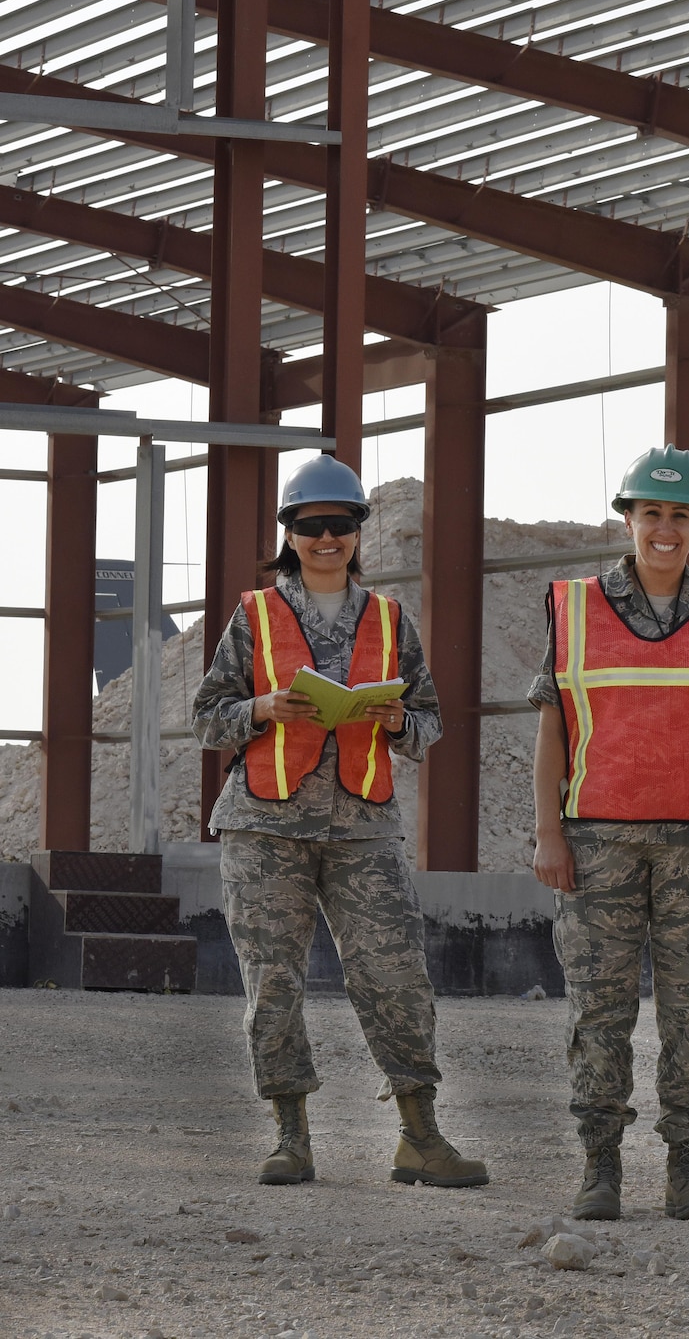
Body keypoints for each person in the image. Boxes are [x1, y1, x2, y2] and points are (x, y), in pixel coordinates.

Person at [193, 454, 487, 1189]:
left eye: (342, 525)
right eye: (313, 525)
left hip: (362, 826)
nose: (328, 538)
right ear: (290, 533)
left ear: (360, 532)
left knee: (395, 974)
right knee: (274, 983)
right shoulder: (254, 616)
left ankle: (420, 1137)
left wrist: (393, 720)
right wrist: (261, 708)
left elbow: (430, 725)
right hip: (265, 824)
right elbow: (206, 717)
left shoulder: (391, 621)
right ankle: (291, 1137)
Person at [529, 445, 689, 1224]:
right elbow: (554, 727)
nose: (664, 529)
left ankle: (685, 1169)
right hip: (598, 840)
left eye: (680, 515)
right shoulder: (576, 610)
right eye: (651, 514)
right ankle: (599, 1167)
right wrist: (548, 832)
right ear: (628, 520)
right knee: (598, 1012)